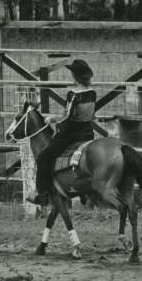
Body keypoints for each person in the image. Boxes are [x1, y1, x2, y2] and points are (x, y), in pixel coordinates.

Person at [27, 59, 98, 206]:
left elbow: (67, 117)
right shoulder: (92, 93)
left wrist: (52, 119)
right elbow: (91, 114)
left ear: (75, 75)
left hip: (72, 135)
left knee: (44, 157)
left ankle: (42, 194)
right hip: (88, 133)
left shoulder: (73, 94)